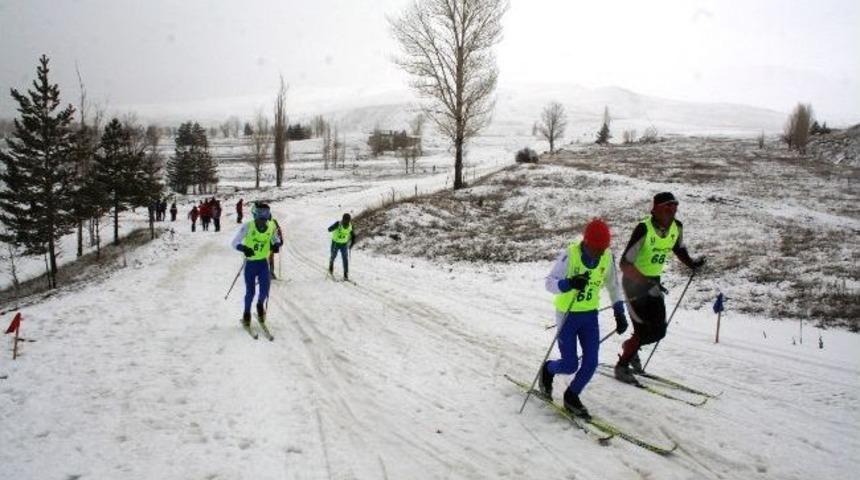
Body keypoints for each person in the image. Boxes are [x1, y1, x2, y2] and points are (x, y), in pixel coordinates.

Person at [539, 219, 627, 418]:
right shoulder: (570, 255)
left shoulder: (606, 257)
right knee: (570, 365)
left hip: (589, 316)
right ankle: (547, 370)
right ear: (586, 242)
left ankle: (572, 396)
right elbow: (549, 283)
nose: (599, 253)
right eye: (596, 248)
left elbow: (613, 286)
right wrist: (569, 283)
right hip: (567, 315)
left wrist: (619, 312)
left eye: (602, 248)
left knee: (591, 362)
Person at [614, 192, 706, 383]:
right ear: (655, 209)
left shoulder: (676, 227)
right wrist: (645, 282)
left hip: (653, 282)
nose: (672, 211)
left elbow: (678, 248)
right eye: (667, 207)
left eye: (675, 207)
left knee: (659, 331)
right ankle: (622, 366)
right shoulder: (644, 229)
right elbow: (625, 264)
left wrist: (692, 263)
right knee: (643, 330)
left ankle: (630, 347)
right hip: (634, 284)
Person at [231, 202, 282, 328]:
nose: (264, 216)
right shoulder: (248, 226)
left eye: (266, 212)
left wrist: (276, 244)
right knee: (251, 292)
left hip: (263, 264)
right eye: (261, 212)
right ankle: (246, 314)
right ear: (256, 214)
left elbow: (277, 240)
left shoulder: (271, 226)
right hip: (250, 264)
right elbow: (234, 243)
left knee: (265, 290)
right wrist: (243, 248)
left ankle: (260, 305)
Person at [328, 213, 355, 280]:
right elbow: (329, 229)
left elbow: (353, 236)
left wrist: (352, 244)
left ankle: (345, 275)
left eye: (348, 220)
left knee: (345, 259)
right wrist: (334, 227)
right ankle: (331, 268)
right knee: (333, 256)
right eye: (345, 220)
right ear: (343, 219)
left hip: (344, 244)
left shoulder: (350, 226)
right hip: (335, 243)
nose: (346, 222)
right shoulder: (338, 224)